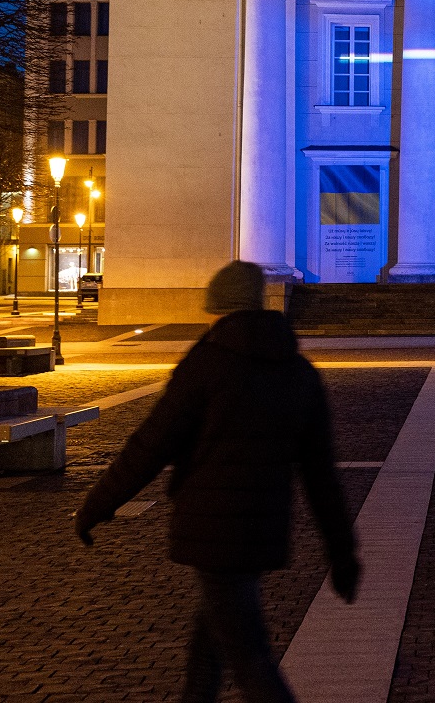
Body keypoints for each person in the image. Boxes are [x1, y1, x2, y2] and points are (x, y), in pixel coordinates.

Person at [74, 261, 360, 703]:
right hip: (262, 529)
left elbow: (149, 446)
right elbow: (322, 476)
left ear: (219, 308)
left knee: (249, 658)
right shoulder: (298, 371)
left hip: (212, 532)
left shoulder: (206, 364)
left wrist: (97, 505)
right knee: (208, 650)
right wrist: (342, 554)